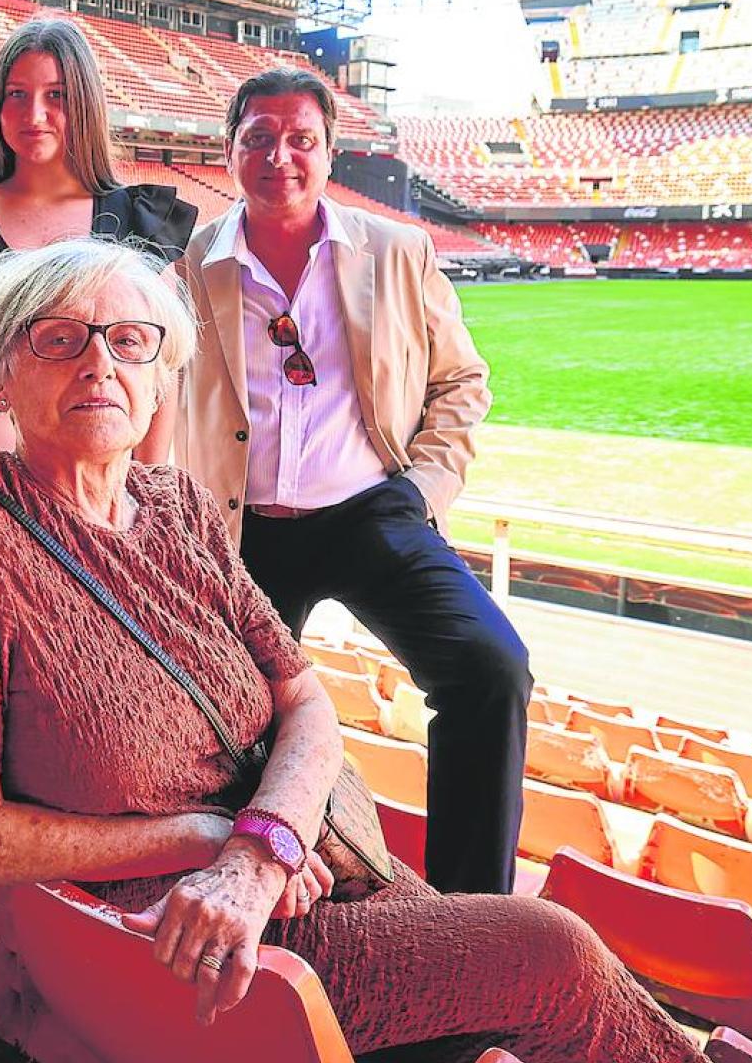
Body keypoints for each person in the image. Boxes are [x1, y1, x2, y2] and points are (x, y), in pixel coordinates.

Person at [0, 237, 715, 1062]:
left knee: (535, 985)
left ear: (159, 380)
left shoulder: (177, 504)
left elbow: (304, 696)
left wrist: (266, 839)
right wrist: (210, 838)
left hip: (295, 869)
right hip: (163, 935)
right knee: (553, 955)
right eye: (58, 337)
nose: (100, 364)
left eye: (131, 340)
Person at [171, 66, 529, 896]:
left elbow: (461, 383)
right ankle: (261, 889)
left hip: (373, 510)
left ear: (330, 154)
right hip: (242, 527)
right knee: (230, 719)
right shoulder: (191, 265)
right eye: (258, 136)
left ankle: (472, 911)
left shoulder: (398, 253)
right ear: (230, 151)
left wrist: (426, 491)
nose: (279, 156)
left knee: (490, 669)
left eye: (301, 139)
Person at [0, 15, 196, 531]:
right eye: (16, 94)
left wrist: (147, 480)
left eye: (56, 95)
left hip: (100, 456)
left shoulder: (137, 220)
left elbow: (162, 368)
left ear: (85, 102)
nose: (34, 114)